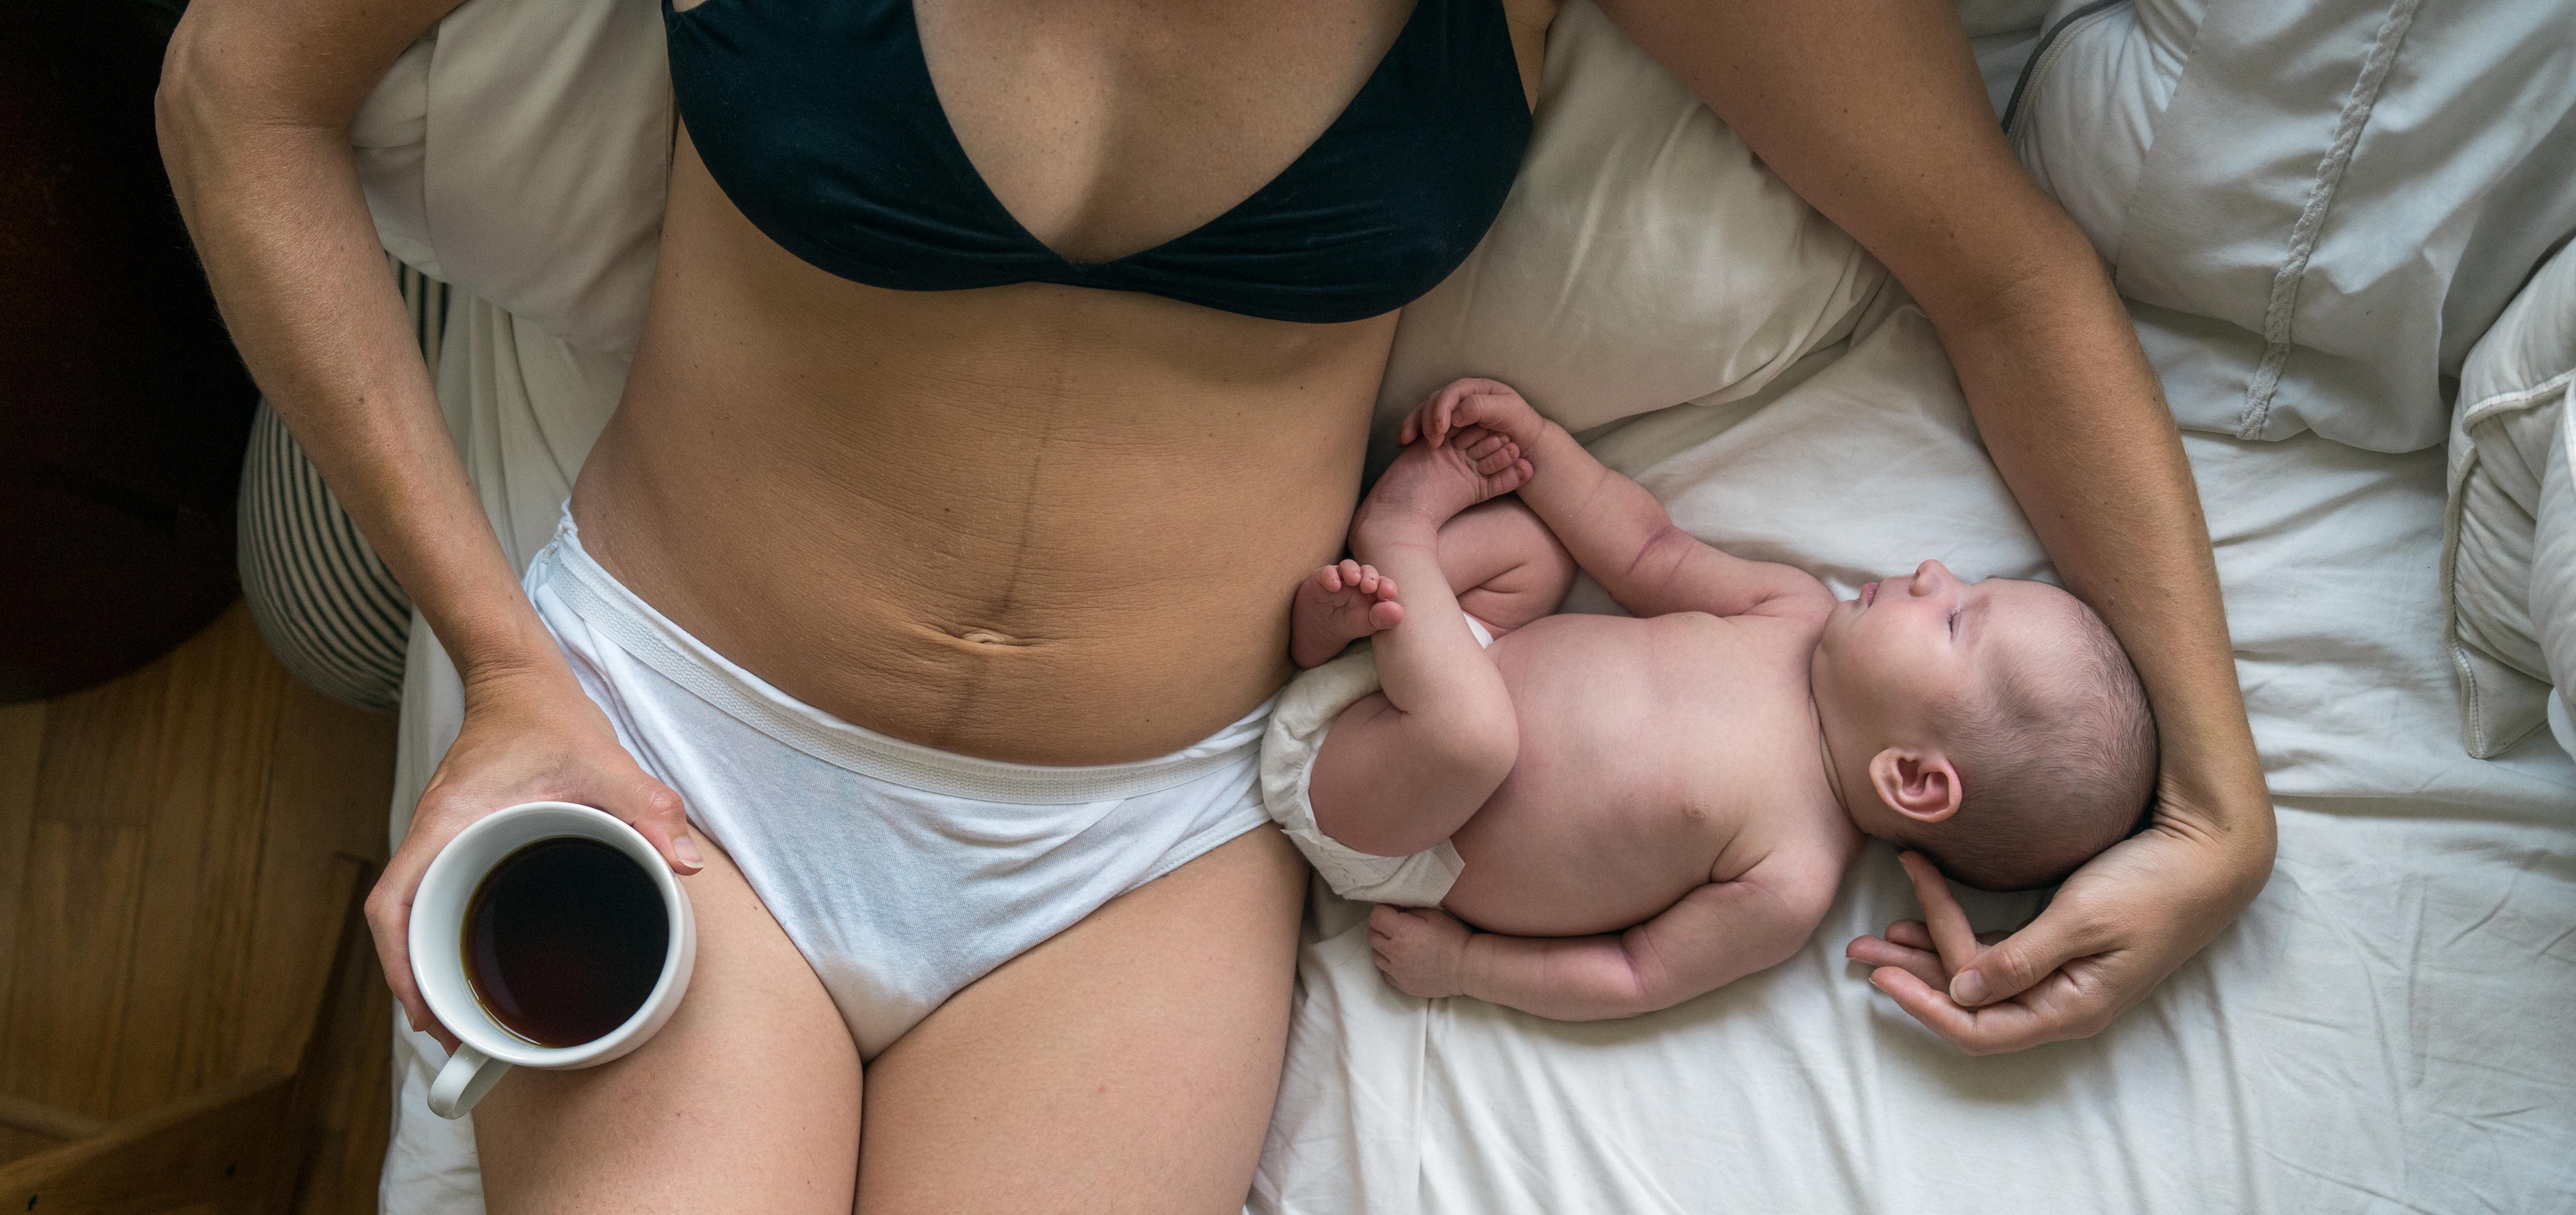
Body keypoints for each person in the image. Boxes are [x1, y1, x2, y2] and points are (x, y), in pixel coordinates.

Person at [153, 0, 2276, 1204]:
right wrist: (505, 666)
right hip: (680, 742)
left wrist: (2213, 808)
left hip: (1137, 856)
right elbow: (239, 92)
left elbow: (1999, 267)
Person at [1264, 378, 2155, 1019]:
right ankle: (1345, 628)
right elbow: (1648, 551)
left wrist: (1468, 966)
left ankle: (1395, 536)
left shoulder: (1790, 877)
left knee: (1475, 738)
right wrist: (1538, 445)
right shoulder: (1798, 612)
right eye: (1963, 582)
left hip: (1387, 811)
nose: (1933, 572)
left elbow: (1633, 971)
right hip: (1451, 652)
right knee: (1541, 557)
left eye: (1955, 620)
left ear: (1916, 778)